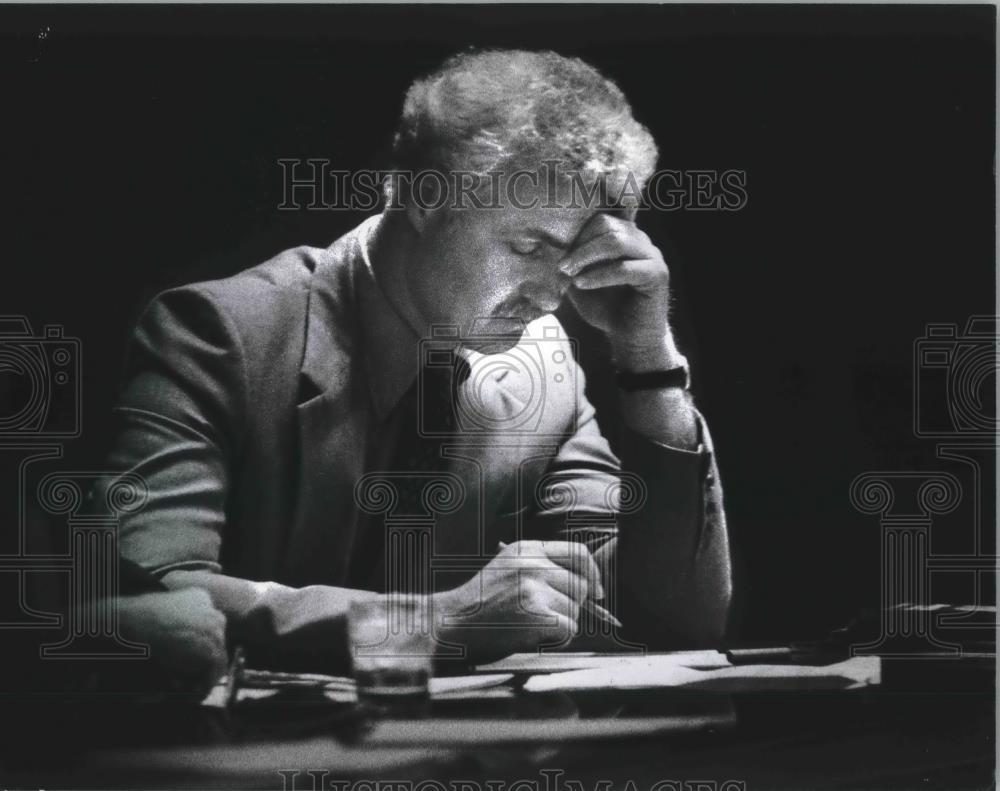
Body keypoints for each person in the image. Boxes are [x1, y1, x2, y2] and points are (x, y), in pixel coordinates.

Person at [98, 49, 731, 672]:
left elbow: (669, 622)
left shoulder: (548, 371)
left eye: (571, 255)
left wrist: (649, 363)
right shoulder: (221, 332)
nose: (550, 296)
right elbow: (147, 597)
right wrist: (427, 625)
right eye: (526, 244)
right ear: (420, 198)